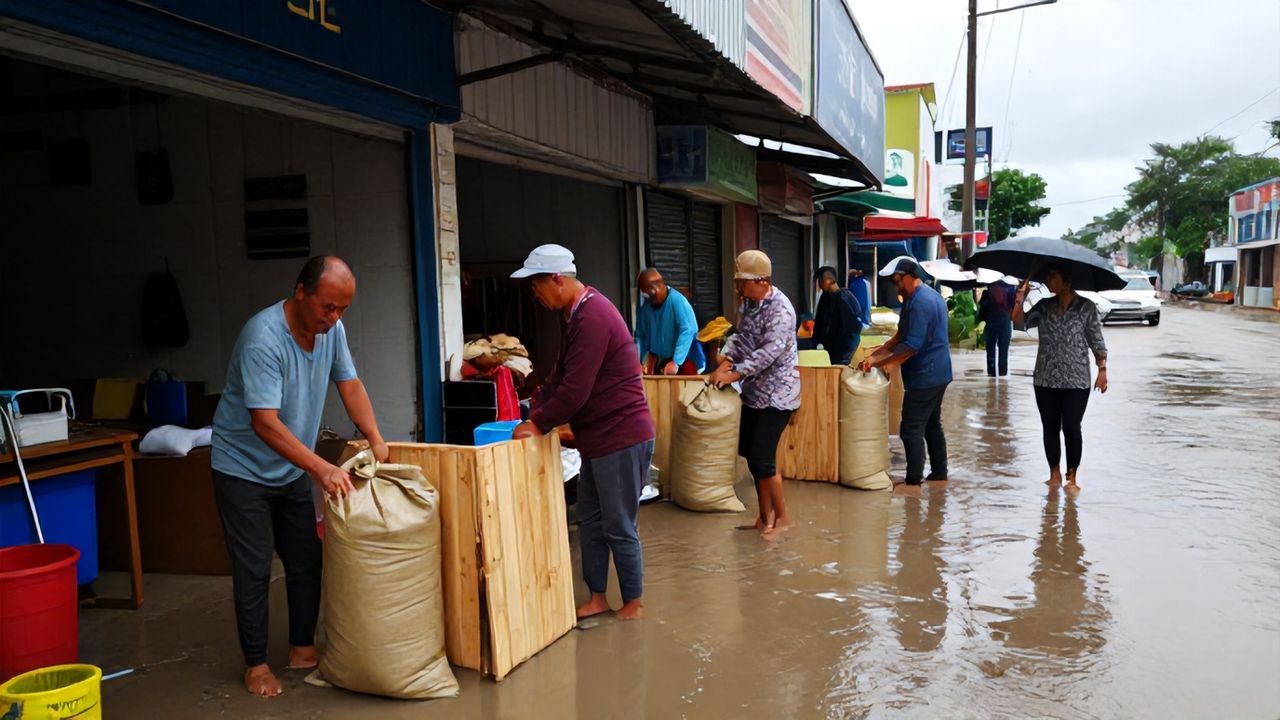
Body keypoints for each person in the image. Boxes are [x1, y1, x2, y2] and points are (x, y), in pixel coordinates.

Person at [211, 256, 389, 698]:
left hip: (290, 465)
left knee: (306, 557)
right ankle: (255, 666)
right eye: (328, 307)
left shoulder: (332, 331)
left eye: (343, 309)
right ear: (300, 292)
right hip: (242, 469)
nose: (335, 317)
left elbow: (349, 384)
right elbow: (264, 423)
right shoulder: (263, 339)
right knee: (253, 568)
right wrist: (320, 467)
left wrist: (375, 436)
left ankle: (302, 649)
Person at [509, 244, 655, 621]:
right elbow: (560, 374)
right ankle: (598, 596)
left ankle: (634, 603)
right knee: (590, 517)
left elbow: (576, 389)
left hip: (621, 436)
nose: (535, 294)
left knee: (618, 523)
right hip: (598, 439)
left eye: (537, 285)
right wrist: (535, 409)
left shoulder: (593, 316)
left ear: (558, 279)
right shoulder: (575, 315)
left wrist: (539, 424)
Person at [707, 250, 799, 537]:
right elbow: (742, 337)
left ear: (761, 281)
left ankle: (779, 519)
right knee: (748, 450)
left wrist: (733, 373)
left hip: (779, 394)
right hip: (754, 391)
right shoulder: (748, 304)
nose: (738, 288)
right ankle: (765, 517)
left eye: (742, 283)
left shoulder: (781, 310)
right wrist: (725, 359)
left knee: (762, 457)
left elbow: (768, 354)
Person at [1012, 264, 1108, 495]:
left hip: (1077, 380)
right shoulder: (1044, 306)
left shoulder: (1086, 307)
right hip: (1045, 379)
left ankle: (1072, 476)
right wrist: (1019, 299)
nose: (1047, 282)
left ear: (1066, 280)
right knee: (1050, 427)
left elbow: (1097, 340)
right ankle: (1054, 473)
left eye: (1052, 277)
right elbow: (1018, 323)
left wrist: (1102, 370)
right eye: (1046, 277)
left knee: (1072, 427)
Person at [859, 256, 953, 487]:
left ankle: (913, 481)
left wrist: (878, 363)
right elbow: (901, 335)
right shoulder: (922, 297)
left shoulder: (921, 303)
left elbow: (911, 346)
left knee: (910, 428)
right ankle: (939, 473)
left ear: (912, 276)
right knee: (932, 424)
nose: (896, 286)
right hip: (939, 373)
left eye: (899, 280)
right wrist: (879, 351)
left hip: (926, 375)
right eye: (894, 282)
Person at [635, 268, 705, 375]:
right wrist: (638, 361)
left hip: (685, 359)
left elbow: (689, 329)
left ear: (654, 290)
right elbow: (640, 336)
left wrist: (676, 361)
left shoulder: (677, 300)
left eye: (646, 292)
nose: (645, 296)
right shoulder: (646, 308)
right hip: (660, 361)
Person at [812, 266, 865, 366]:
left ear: (827, 280)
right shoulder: (826, 297)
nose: (818, 285)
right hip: (827, 351)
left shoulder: (844, 298)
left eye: (819, 281)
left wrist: (844, 353)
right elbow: (820, 322)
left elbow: (854, 329)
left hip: (841, 354)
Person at [979, 278, 1018, 377]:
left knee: (991, 349)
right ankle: (1002, 372)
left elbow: (981, 306)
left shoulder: (990, 283)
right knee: (1003, 349)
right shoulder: (1010, 285)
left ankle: (992, 371)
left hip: (992, 319)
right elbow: (1014, 305)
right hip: (1003, 320)